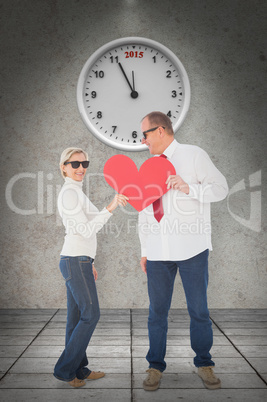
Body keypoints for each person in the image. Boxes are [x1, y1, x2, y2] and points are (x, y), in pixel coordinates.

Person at [138, 112, 228, 391]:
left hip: (192, 250)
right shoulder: (148, 165)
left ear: (161, 130)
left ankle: (204, 363)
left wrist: (190, 188)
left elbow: (221, 189)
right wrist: (144, 249)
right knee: (157, 313)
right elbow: (143, 210)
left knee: (199, 310)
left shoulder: (194, 155)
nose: (143, 140)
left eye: (146, 134)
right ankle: (155, 366)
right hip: (157, 253)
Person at [54, 147, 128, 387]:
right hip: (75, 260)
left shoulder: (76, 192)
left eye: (84, 163)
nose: (81, 168)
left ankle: (78, 370)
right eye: (74, 164)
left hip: (79, 259)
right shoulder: (69, 194)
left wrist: (90, 260)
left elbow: (90, 224)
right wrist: (111, 206)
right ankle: (65, 370)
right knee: (90, 315)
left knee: (76, 318)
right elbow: (86, 229)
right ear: (64, 167)